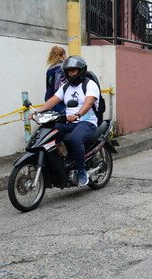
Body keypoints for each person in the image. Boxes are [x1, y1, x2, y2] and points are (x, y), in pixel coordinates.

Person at [31, 56, 99, 187]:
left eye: (73, 71)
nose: (70, 73)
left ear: (81, 71)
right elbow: (52, 101)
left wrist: (77, 114)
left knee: (75, 138)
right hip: (69, 123)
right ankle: (62, 162)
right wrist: (37, 112)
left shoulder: (90, 84)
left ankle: (81, 171)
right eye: (68, 71)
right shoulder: (65, 87)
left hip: (87, 122)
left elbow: (89, 102)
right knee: (50, 133)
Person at [45, 46, 67, 112]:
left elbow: (48, 86)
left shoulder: (50, 69)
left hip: (50, 99)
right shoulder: (66, 68)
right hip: (62, 101)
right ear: (63, 55)